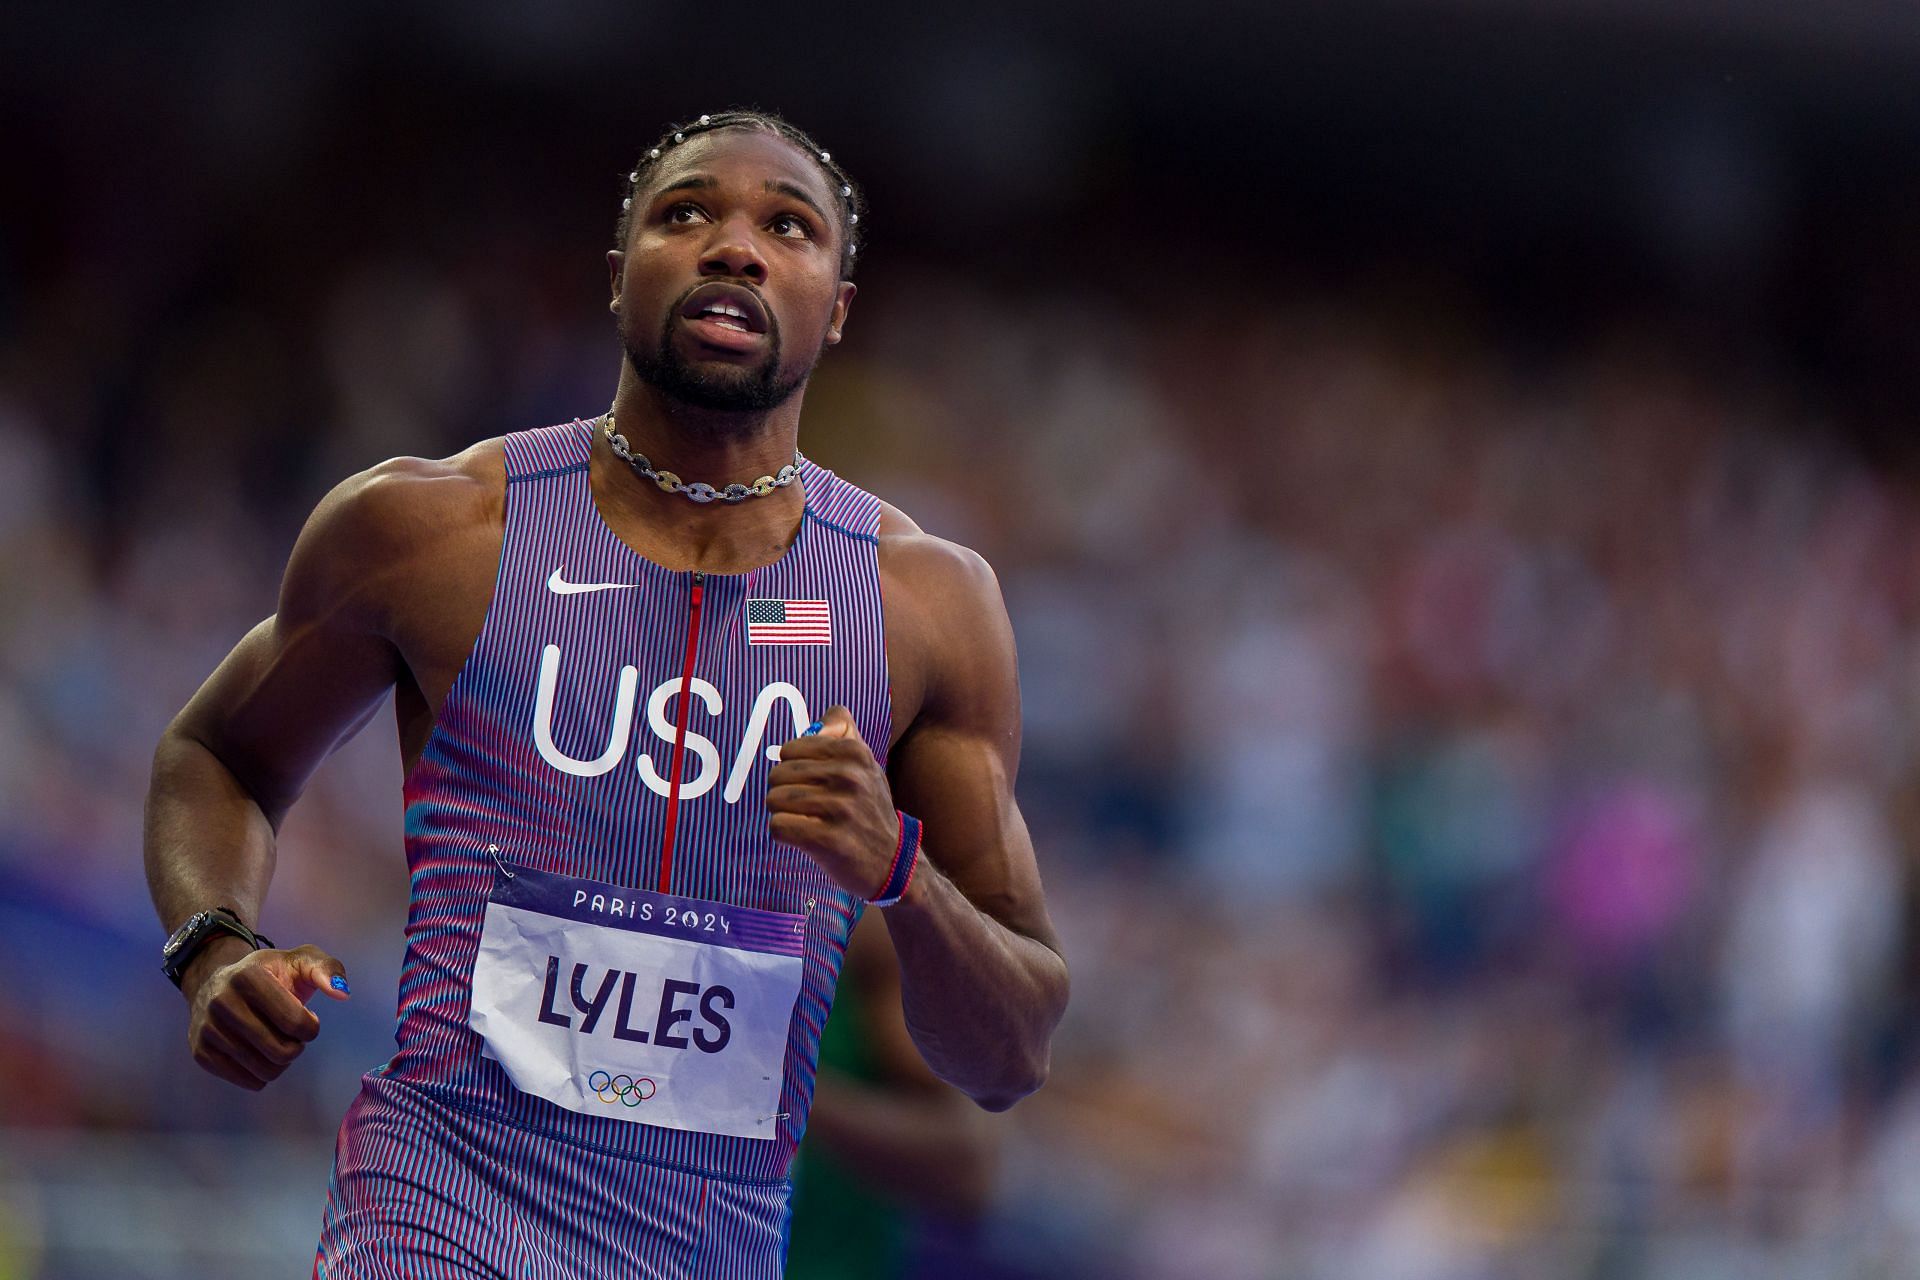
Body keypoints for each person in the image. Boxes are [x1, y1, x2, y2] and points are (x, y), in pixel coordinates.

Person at [142, 109, 1068, 1278]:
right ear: (620, 273)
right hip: (430, 1215)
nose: (735, 246)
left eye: (788, 226)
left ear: (836, 307)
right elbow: (219, 752)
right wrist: (216, 942)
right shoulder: (431, 529)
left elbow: (1012, 1048)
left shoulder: (924, 606)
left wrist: (899, 870)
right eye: (687, 214)